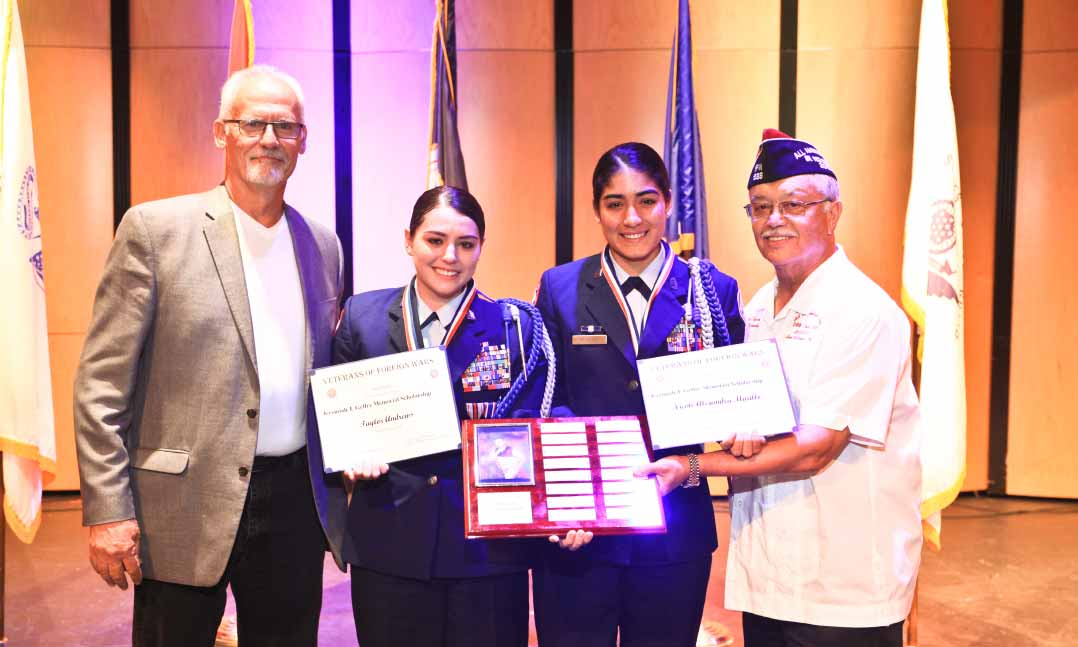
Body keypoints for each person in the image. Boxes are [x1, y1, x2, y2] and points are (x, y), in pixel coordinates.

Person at [73, 65, 347, 646]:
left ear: (303, 141)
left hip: (294, 503)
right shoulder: (154, 230)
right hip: (181, 504)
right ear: (222, 132)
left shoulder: (323, 244)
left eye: (284, 127)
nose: (268, 139)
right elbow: (101, 384)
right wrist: (106, 509)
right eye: (252, 123)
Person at [637, 129, 923, 647]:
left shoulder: (862, 310)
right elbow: (753, 415)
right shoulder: (760, 307)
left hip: (845, 589)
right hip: (769, 577)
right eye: (760, 207)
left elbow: (817, 448)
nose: (773, 220)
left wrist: (694, 465)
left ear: (832, 213)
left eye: (793, 204)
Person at [531, 142, 745, 647]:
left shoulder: (711, 289)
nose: (632, 218)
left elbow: (736, 394)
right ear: (597, 210)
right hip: (581, 532)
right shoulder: (560, 288)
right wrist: (568, 497)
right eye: (615, 203)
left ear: (668, 202)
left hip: (674, 529)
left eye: (647, 201)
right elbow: (547, 398)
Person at [334, 185, 547, 647]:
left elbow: (535, 431)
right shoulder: (362, 319)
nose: (449, 256)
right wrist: (350, 457)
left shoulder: (516, 327)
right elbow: (335, 418)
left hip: (487, 554)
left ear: (481, 248)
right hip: (389, 545)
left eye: (466, 244)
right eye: (434, 240)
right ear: (409, 240)